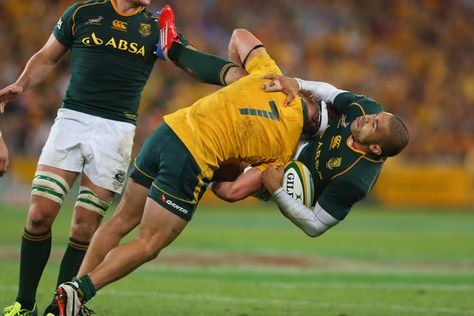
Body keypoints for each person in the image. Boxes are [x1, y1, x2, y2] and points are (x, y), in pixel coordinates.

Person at [53, 26, 322, 315]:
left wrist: (238, 80)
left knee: (121, 220)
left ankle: (70, 301)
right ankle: (77, 291)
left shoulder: (270, 75)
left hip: (168, 130)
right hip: (193, 157)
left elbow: (239, 35)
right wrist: (254, 178)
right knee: (148, 244)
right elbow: (229, 192)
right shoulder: (281, 154)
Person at [0, 2, 245, 316]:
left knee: (85, 227)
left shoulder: (156, 25)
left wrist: (234, 76)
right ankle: (24, 304)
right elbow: (48, 56)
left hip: (116, 133)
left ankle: (59, 307)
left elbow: (189, 59)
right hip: (72, 119)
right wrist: (22, 83)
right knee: (39, 214)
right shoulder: (83, 12)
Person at [217, 74, 410, 237]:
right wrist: (297, 83)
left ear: (376, 149)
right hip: (304, 138)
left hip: (287, 173)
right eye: (376, 116)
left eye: (374, 125)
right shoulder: (366, 108)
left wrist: (276, 190)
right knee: (307, 107)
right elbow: (330, 92)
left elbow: (315, 226)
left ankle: (201, 170)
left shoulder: (354, 181)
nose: (368, 117)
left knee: (231, 191)